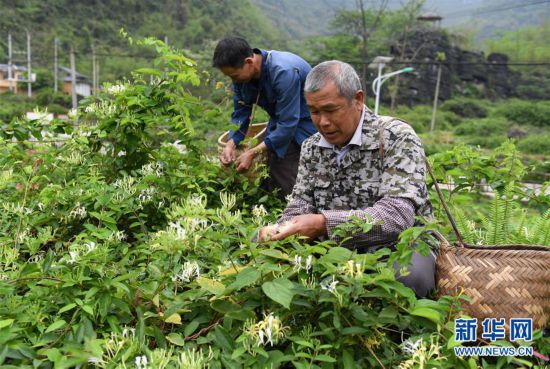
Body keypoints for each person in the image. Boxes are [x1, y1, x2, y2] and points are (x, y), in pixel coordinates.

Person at [259, 60, 436, 297]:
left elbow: (397, 216)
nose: (323, 122)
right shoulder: (312, 147)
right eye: (314, 112)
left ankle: (406, 334)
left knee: (409, 276)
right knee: (259, 247)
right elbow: (300, 204)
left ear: (358, 100)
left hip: (399, 246)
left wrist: (323, 224)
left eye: (331, 110)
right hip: (337, 248)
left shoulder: (396, 137)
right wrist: (282, 229)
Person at [213, 37, 317, 199]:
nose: (233, 81)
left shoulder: (283, 72)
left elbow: (288, 123)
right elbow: (240, 114)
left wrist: (253, 152)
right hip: (280, 121)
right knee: (269, 170)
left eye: (234, 75)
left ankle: (294, 215)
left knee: (287, 174)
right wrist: (231, 144)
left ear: (249, 61)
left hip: (306, 123)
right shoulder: (242, 80)